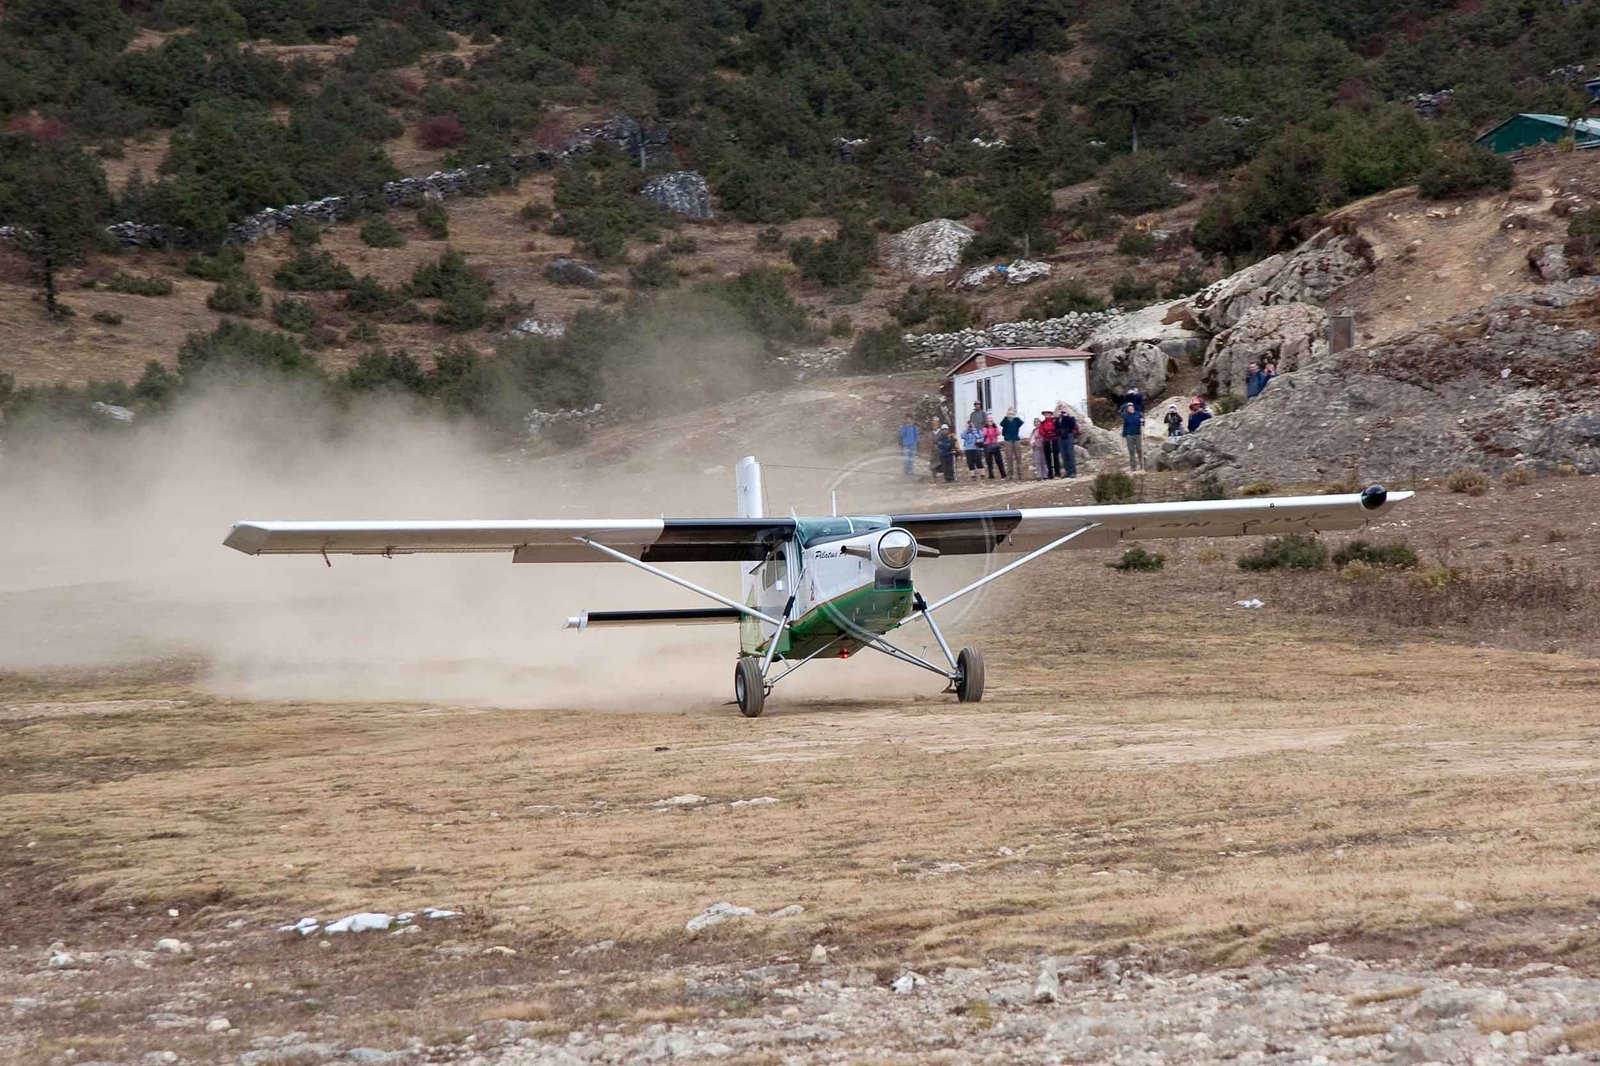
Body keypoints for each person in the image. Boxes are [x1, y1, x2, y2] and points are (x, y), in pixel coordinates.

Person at [1053, 404, 1079, 479]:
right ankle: (1067, 471)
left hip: (1068, 435)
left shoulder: (1071, 418)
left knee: (1070, 453)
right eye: (1060, 408)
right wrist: (1058, 418)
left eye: (1063, 408)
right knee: (1064, 455)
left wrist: (1066, 416)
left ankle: (1073, 472)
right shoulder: (1058, 419)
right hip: (1060, 437)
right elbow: (1055, 427)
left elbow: (1072, 426)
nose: (1062, 410)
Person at [1000, 407, 1024, 481]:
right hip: (1008, 440)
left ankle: (1020, 475)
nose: (1011, 413)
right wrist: (1006, 416)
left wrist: (1015, 416)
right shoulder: (1006, 420)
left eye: (1012, 412)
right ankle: (1010, 475)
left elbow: (1021, 422)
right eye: (1010, 412)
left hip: (1016, 439)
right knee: (1009, 457)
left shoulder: (1016, 420)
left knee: (1018, 457)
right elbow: (1002, 424)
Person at [1121, 402, 1144, 472]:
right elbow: (1125, 425)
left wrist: (1142, 421)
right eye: (1129, 408)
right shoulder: (1125, 415)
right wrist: (1124, 434)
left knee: (1139, 449)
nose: (1130, 408)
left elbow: (1142, 423)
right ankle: (1133, 466)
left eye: (1131, 407)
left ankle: (1142, 465)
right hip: (1129, 435)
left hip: (1137, 434)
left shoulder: (1138, 414)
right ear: (1127, 409)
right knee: (1131, 450)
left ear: (1133, 407)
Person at [1037, 409, 1059, 478]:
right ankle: (1050, 473)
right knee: (1048, 457)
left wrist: (1053, 433)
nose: (1047, 415)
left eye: (1048, 414)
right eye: (1045, 414)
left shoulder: (1054, 421)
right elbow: (1041, 431)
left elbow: (1057, 428)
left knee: (1055, 456)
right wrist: (1046, 434)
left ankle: (1057, 473)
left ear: (1051, 414)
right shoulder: (1043, 423)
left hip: (1054, 439)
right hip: (1046, 440)